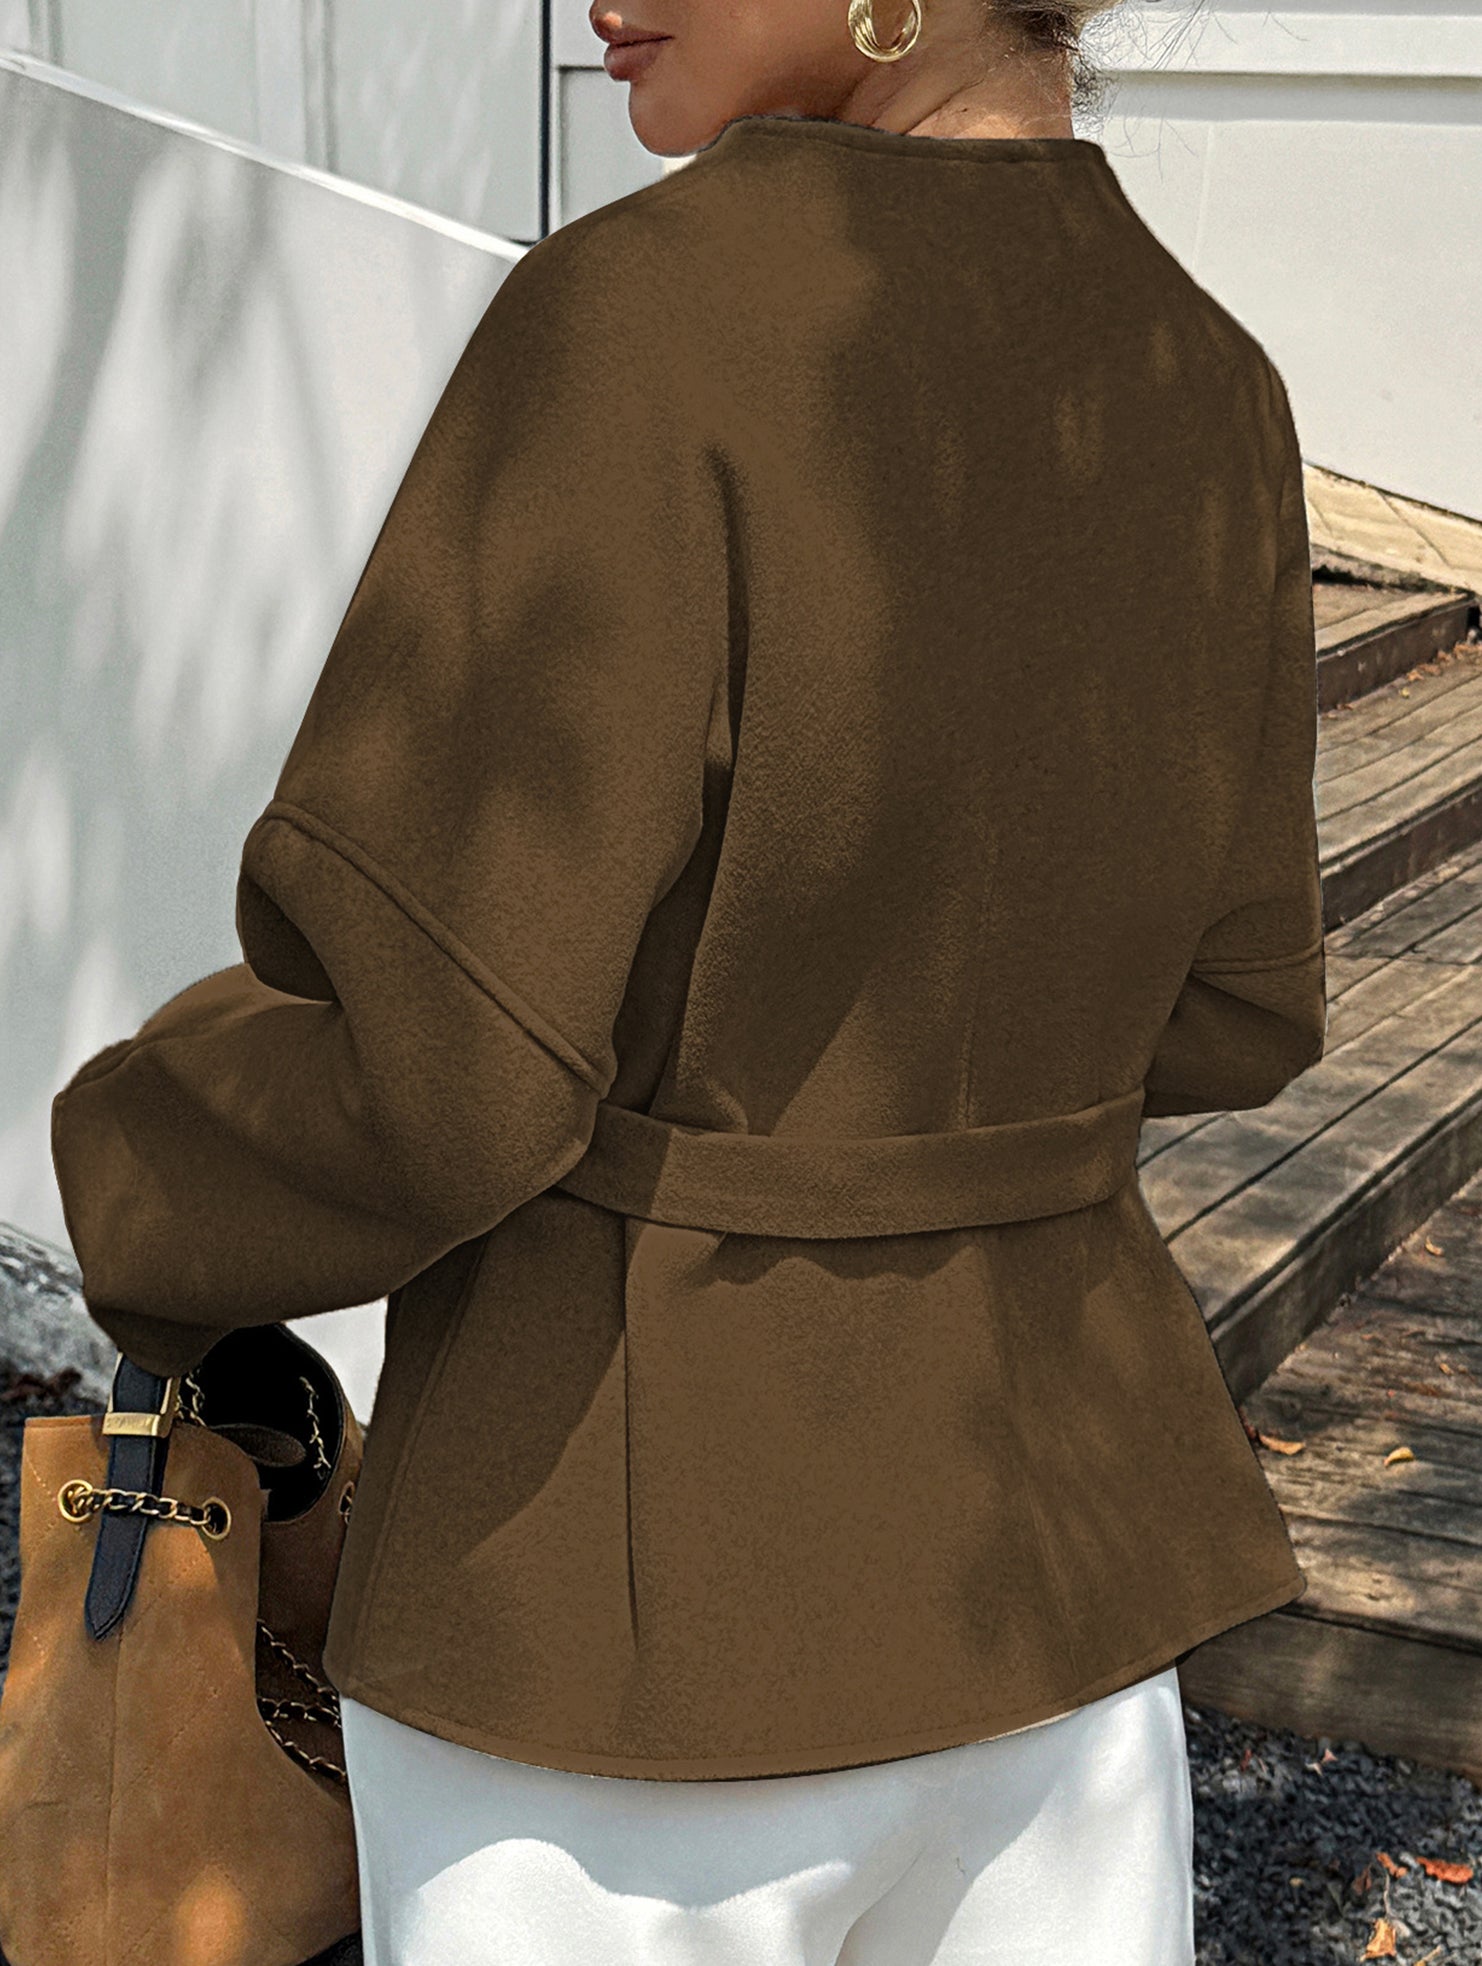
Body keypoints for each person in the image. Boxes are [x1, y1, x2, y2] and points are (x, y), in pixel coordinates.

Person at [49, 0, 1327, 1952]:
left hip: (615, 1625)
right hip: (1063, 1601)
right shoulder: (1205, 375)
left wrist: (133, 1164)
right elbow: (1240, 1004)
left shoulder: (644, 325)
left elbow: (449, 1071)